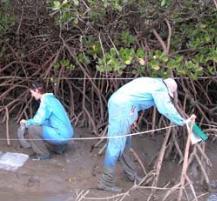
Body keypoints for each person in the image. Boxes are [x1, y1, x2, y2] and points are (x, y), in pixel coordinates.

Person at [98, 77, 196, 192]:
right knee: (116, 145)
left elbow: (134, 97)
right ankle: (105, 182)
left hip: (122, 105)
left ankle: (130, 174)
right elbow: (165, 108)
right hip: (122, 108)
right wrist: (182, 121)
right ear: (168, 89)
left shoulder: (153, 81)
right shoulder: (160, 89)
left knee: (125, 144)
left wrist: (132, 117)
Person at [18, 81, 74, 160]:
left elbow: (38, 120)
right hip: (68, 134)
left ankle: (42, 154)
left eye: (32, 92)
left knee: (33, 128)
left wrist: (26, 122)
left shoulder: (46, 101)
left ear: (37, 91)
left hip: (61, 136)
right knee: (45, 123)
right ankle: (59, 148)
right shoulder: (53, 99)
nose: (32, 95)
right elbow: (46, 120)